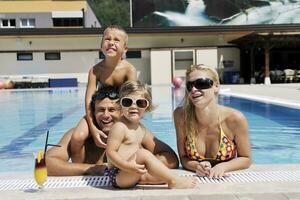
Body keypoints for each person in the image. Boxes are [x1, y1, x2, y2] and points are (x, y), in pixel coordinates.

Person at [46, 86, 179, 176]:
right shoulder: (80, 135)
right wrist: (92, 169)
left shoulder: (135, 131)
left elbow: (171, 158)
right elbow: (47, 163)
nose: (106, 115)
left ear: (121, 111)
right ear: (93, 113)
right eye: (101, 110)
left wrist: (134, 167)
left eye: (112, 109)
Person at [106, 80, 197, 189]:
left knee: (165, 167)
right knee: (143, 154)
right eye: (127, 102)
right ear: (120, 105)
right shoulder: (119, 127)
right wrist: (127, 166)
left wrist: (158, 163)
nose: (134, 106)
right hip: (119, 174)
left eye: (140, 103)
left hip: (133, 173)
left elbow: (167, 153)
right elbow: (110, 152)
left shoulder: (140, 128)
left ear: (146, 107)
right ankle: (174, 181)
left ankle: (148, 179)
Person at [70, 25, 137, 163]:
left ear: (125, 49)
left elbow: (132, 101)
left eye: (117, 40)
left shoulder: (129, 70)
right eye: (107, 39)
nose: (111, 42)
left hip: (121, 114)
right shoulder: (95, 70)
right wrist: (93, 128)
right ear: (101, 47)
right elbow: (89, 101)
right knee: (77, 137)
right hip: (99, 113)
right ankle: (78, 170)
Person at [173, 64, 251, 179]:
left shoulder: (235, 119)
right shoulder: (181, 116)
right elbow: (183, 158)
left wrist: (224, 166)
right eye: (190, 85)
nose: (194, 89)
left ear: (216, 86)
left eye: (201, 83)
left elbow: (246, 158)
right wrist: (197, 166)